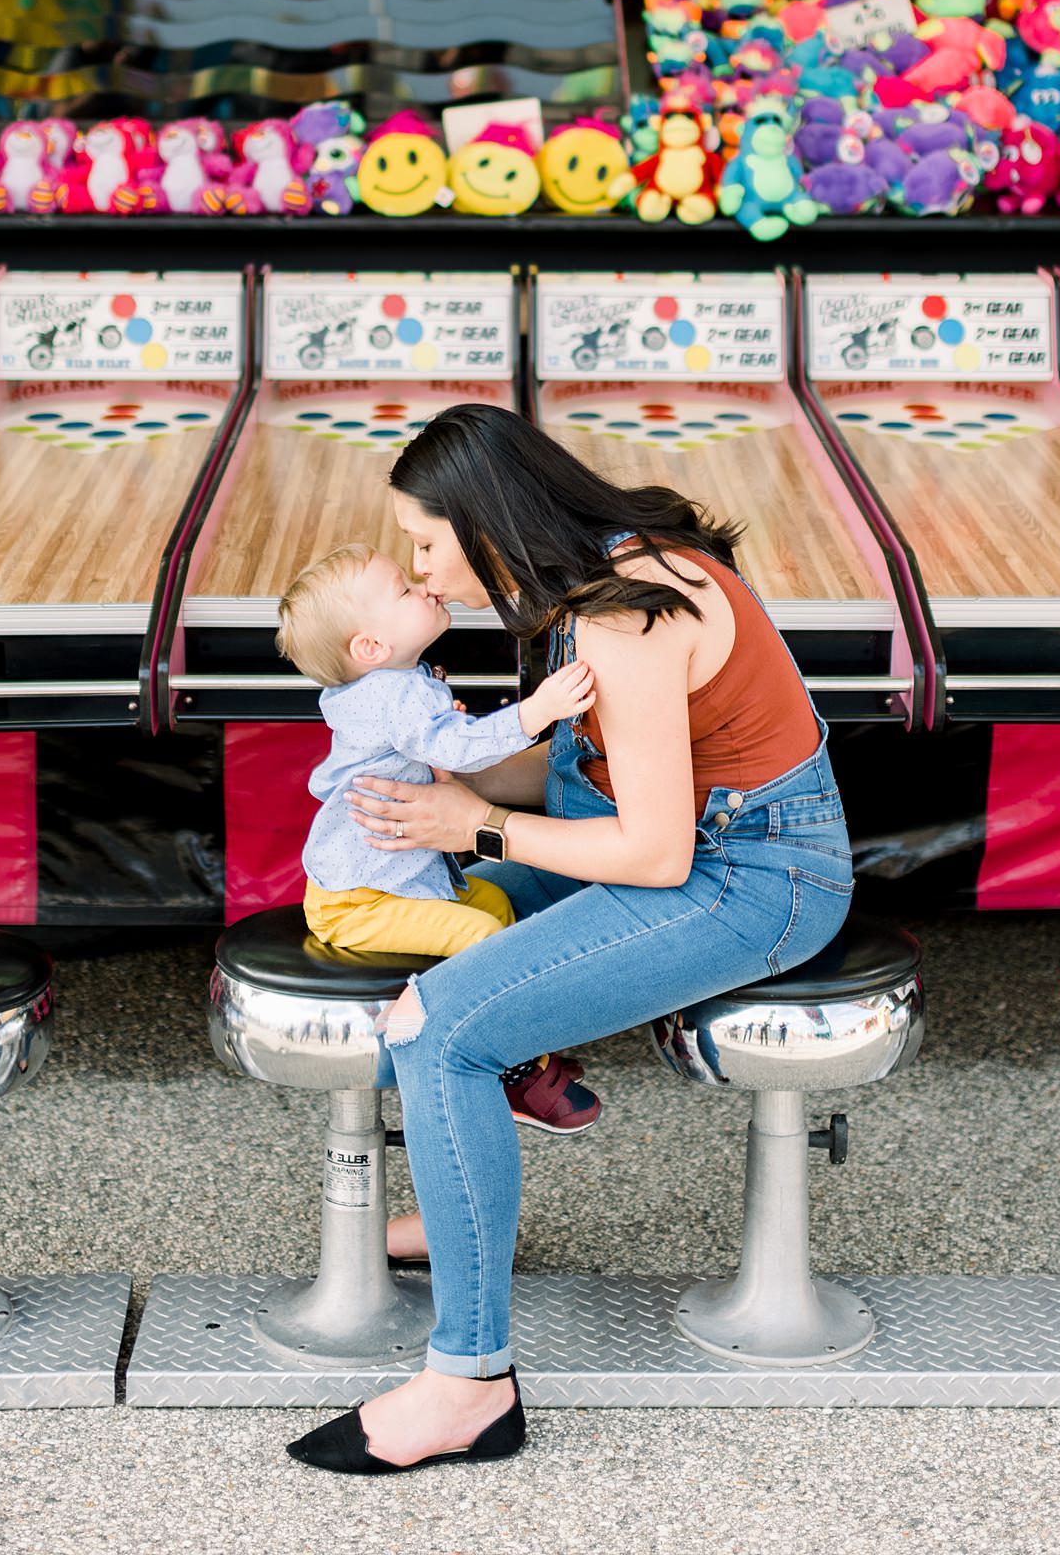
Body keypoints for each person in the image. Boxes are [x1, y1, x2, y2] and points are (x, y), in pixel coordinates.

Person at [285, 404, 853, 1477]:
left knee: (443, 1031)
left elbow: (654, 850)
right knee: (437, 916)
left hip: (756, 878)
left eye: (423, 541)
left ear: (483, 520)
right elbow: (575, 776)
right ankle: (470, 1194)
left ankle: (468, 1385)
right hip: (663, 839)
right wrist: (425, 792)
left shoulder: (624, 617)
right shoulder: (590, 575)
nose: (417, 567)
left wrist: (479, 822)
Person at [276, 540, 602, 1133]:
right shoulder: (390, 693)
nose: (422, 583)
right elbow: (454, 747)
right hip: (358, 902)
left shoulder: (394, 683)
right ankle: (494, 1063)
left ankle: (505, 1038)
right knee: (480, 933)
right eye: (403, 588)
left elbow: (436, 744)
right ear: (370, 647)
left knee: (496, 903)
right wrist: (540, 709)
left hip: (383, 883)